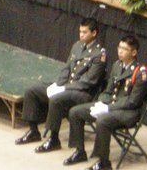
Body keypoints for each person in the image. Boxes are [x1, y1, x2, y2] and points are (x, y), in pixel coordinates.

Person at [16, 18, 106, 153]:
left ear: (94, 33)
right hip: (67, 86)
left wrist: (64, 88)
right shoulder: (77, 46)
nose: (81, 35)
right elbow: (67, 68)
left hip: (84, 93)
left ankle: (53, 139)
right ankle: (33, 131)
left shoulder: (99, 54)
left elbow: (89, 81)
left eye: (85, 32)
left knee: (56, 99)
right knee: (32, 90)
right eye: (80, 32)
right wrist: (58, 84)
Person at [64, 35, 147, 170]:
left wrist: (108, 108)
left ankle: (103, 162)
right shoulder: (117, 65)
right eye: (119, 47)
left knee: (102, 120)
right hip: (111, 106)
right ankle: (79, 151)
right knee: (75, 112)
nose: (120, 51)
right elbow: (108, 91)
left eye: (125, 49)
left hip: (129, 113)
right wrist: (101, 102)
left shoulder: (140, 73)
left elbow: (133, 102)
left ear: (134, 52)